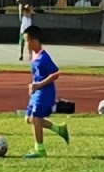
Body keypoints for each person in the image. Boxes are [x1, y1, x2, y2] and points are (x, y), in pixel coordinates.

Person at [22, 25, 70, 158]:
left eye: (26, 41)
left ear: (33, 40)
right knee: (29, 119)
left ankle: (40, 149)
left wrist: (39, 85)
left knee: (36, 118)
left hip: (45, 91)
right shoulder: (34, 55)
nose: (25, 44)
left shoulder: (44, 57)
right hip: (37, 91)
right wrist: (33, 86)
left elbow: (56, 73)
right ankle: (59, 129)